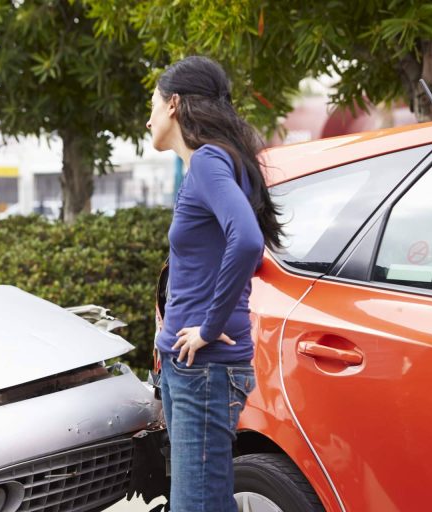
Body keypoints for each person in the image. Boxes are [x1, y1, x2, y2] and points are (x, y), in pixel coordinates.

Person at [146, 56, 284, 511]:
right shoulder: (226, 162)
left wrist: (209, 324)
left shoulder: (207, 162)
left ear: (174, 105)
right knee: (207, 499)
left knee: (197, 505)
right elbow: (243, 248)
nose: (147, 117)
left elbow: (245, 242)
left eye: (152, 103)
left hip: (203, 366)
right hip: (199, 365)